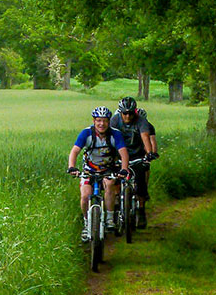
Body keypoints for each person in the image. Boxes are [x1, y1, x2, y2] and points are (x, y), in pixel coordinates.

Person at [67, 106, 130, 241]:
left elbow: (123, 153)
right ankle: (86, 223)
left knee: (109, 184)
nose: (102, 124)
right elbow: (75, 151)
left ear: (109, 122)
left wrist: (124, 169)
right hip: (89, 169)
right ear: (94, 121)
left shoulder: (115, 134)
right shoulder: (86, 133)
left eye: (105, 121)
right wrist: (72, 167)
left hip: (108, 169)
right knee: (85, 195)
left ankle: (109, 218)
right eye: (99, 120)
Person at [110, 96, 160, 228]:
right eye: (125, 113)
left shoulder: (141, 121)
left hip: (136, 155)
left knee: (140, 180)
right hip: (120, 155)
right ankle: (116, 202)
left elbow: (145, 137)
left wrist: (149, 153)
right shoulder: (114, 120)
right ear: (120, 112)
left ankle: (141, 209)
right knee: (113, 177)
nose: (128, 116)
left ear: (135, 112)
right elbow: (109, 138)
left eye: (130, 113)